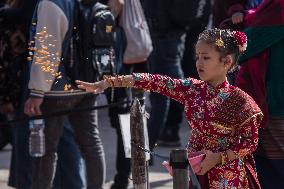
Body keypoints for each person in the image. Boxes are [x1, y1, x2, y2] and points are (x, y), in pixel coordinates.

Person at [76, 28, 263, 189]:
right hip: (193, 170)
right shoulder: (192, 89)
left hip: (227, 177)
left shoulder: (240, 101)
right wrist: (110, 82)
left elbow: (250, 142)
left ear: (226, 62)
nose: (199, 63)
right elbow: (156, 81)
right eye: (197, 57)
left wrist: (218, 157)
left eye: (206, 57)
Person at [23, 0, 105, 188]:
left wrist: (37, 90)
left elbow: (47, 49)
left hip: (56, 89)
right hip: (87, 84)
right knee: (91, 144)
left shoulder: (51, 3)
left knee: (46, 149)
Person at [235, 0, 284, 188]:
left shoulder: (278, 8)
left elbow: (244, 46)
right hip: (271, 103)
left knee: (273, 170)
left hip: (275, 105)